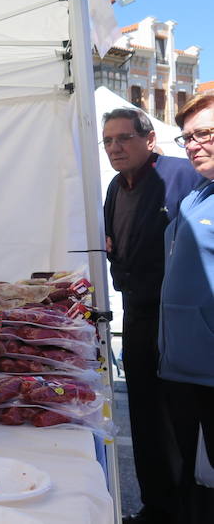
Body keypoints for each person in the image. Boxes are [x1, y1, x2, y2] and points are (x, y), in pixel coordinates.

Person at [101, 107, 198, 524]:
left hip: (182, 316)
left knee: (182, 417)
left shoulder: (183, 174)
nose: (115, 147)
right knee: (142, 414)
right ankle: (156, 507)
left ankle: (188, 509)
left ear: (149, 140)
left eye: (124, 138)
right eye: (108, 141)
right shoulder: (114, 187)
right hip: (138, 313)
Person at [159, 93, 214, 524]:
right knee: (198, 484)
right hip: (183, 368)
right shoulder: (196, 195)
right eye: (188, 137)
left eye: (206, 133)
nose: (194, 145)